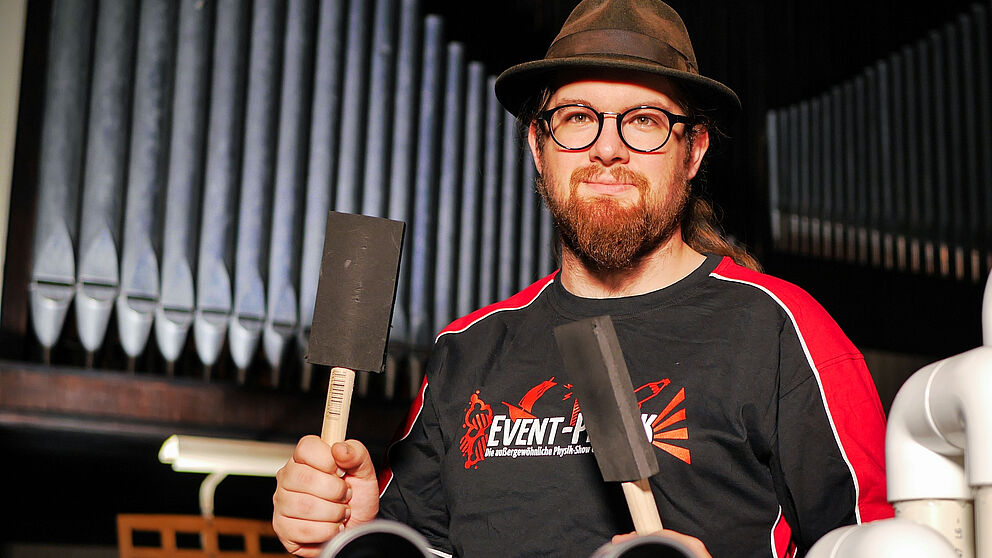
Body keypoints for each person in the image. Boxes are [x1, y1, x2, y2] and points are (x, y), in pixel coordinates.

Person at [272, 0, 893, 556]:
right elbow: (426, 547)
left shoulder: (782, 331)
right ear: (538, 146)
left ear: (694, 150)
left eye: (644, 120)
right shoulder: (468, 348)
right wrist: (357, 531)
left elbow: (878, 546)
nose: (607, 148)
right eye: (576, 117)